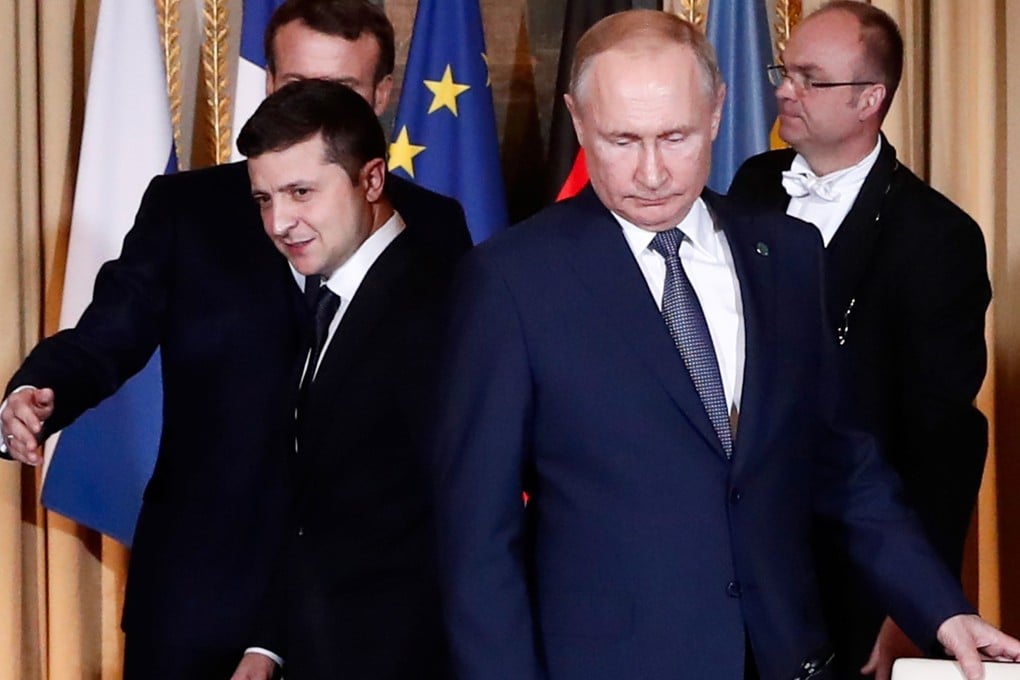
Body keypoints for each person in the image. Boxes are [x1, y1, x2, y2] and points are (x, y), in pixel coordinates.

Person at [430, 10, 1017, 680]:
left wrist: (942, 610)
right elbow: (477, 539)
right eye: (622, 140)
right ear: (577, 118)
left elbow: (843, 465)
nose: (651, 172)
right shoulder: (511, 281)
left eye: (675, 136)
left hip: (789, 659)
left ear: (717, 111)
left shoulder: (788, 254)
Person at [0, 0, 468, 677]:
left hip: (360, 615)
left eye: (338, 94)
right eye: (294, 88)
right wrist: (41, 391)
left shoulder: (432, 226)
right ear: (269, 83)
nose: (310, 110)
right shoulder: (186, 210)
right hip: (200, 599)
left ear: (383, 98)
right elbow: (106, 337)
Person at [728, 3, 990, 677]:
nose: (785, 91)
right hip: (732, 560)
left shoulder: (939, 239)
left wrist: (905, 610)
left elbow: (941, 450)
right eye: (785, 72)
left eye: (811, 79)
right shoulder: (753, 183)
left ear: (871, 98)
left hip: (846, 569)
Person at [227, 79, 459, 680]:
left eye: (301, 192)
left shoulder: (437, 305)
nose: (280, 222)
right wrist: (271, 643)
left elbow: (453, 520)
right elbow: (321, 506)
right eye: (264, 200)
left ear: (373, 180)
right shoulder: (333, 296)